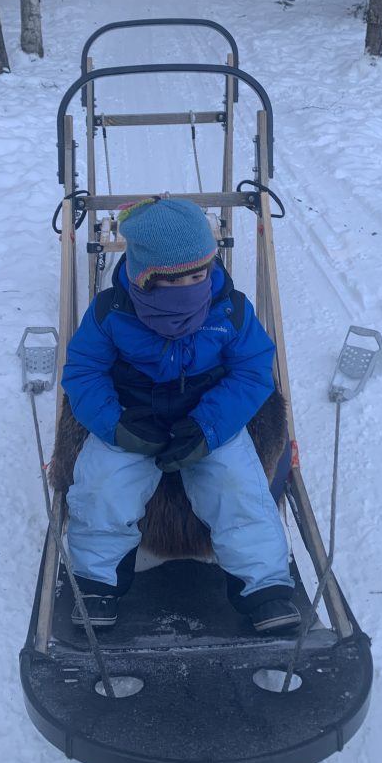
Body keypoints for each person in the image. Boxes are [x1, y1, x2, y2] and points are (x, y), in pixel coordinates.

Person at [61, 196, 300, 634]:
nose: (193, 286)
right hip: (132, 416)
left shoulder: (231, 309)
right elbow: (83, 372)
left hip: (208, 416)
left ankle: (264, 585)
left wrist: (209, 429)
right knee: (101, 488)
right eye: (177, 280)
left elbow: (251, 371)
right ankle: (95, 581)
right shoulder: (109, 313)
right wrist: (114, 424)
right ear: (144, 278)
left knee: (237, 486)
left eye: (200, 273)